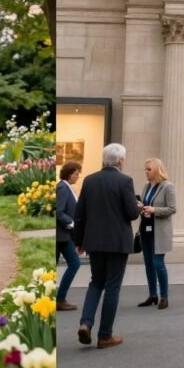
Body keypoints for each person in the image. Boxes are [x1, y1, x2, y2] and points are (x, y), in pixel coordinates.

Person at [73, 143, 141, 349]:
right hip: (117, 241)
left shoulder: (90, 180)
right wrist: (137, 206)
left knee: (96, 283)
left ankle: (86, 323)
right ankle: (105, 335)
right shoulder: (125, 181)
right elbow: (132, 213)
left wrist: (79, 241)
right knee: (112, 286)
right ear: (120, 160)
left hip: (94, 241)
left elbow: (80, 213)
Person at [136, 157, 177, 310]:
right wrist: (141, 206)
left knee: (158, 263)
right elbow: (146, 206)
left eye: (149, 169)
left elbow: (172, 209)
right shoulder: (146, 186)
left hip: (159, 232)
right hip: (146, 229)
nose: (146, 172)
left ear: (156, 170)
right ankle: (153, 295)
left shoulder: (167, 186)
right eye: (145, 169)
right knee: (148, 264)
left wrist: (154, 210)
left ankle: (164, 296)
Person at [56, 161, 82, 311]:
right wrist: (71, 223)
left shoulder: (67, 187)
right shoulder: (63, 188)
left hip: (65, 235)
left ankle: (59, 299)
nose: (78, 176)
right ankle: (59, 299)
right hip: (62, 235)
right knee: (74, 263)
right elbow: (59, 212)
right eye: (76, 174)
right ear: (69, 174)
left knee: (73, 264)